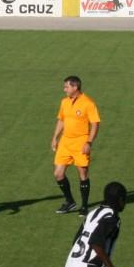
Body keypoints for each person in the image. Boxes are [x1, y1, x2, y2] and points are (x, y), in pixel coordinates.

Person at [51, 75, 101, 216]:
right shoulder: (64, 102)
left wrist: (89, 142)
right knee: (58, 174)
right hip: (65, 142)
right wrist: (55, 137)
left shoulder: (88, 103)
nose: (64, 89)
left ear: (75, 87)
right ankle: (70, 201)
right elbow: (61, 120)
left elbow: (95, 124)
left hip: (81, 141)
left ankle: (84, 206)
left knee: (83, 173)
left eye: (66, 86)